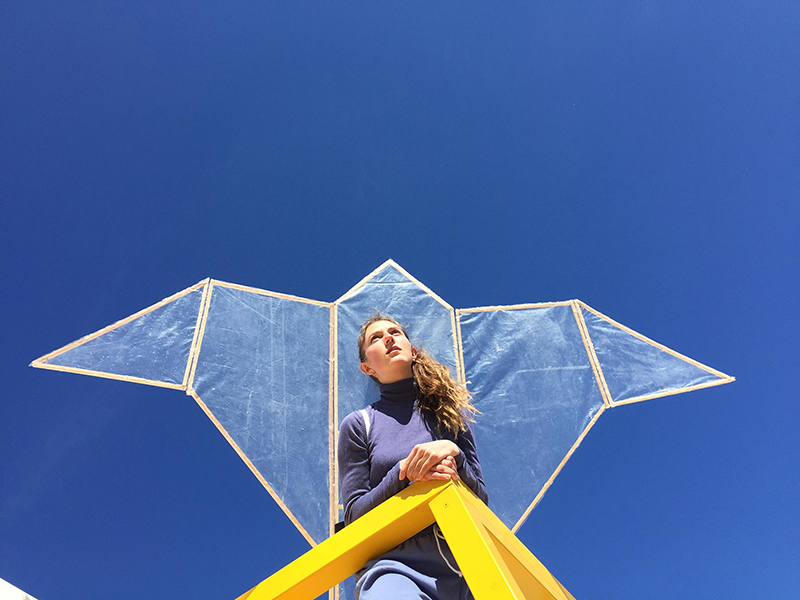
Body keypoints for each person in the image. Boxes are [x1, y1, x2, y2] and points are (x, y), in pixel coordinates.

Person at [338, 315, 488, 600]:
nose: (388, 338)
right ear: (366, 367)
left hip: (472, 568)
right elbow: (354, 515)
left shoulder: (452, 416)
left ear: (413, 351)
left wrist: (455, 457)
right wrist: (404, 472)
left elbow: (481, 499)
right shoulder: (359, 424)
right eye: (376, 337)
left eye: (395, 332)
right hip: (396, 570)